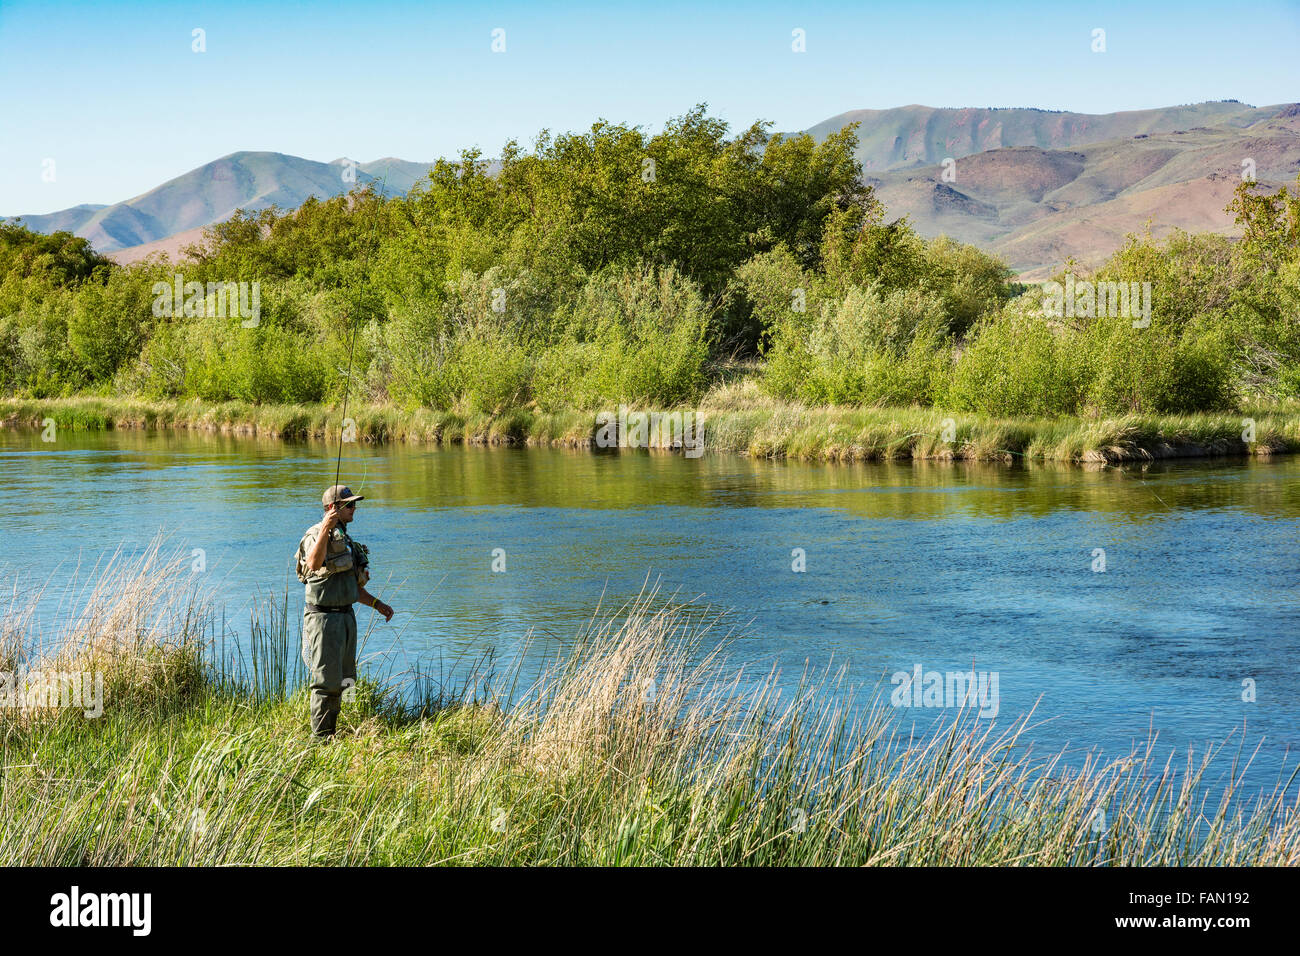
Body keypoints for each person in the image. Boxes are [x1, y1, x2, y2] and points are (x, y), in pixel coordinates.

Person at [295, 484, 394, 737]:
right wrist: (326, 529)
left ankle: (346, 727)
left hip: (346, 616)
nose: (354, 508)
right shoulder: (314, 535)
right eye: (349, 504)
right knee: (326, 683)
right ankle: (320, 740)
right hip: (323, 619)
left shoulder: (348, 541)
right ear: (332, 508)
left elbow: (353, 588)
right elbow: (314, 564)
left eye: (354, 504)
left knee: (347, 679)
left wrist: (378, 604)